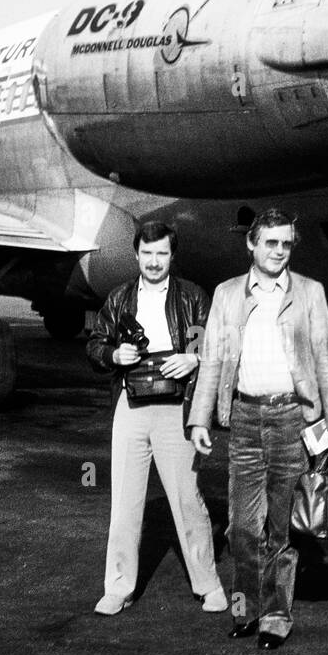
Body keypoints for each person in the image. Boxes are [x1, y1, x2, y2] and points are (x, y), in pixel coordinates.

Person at [188, 208, 328, 649]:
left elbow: (324, 359)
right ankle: (246, 608)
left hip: (291, 420)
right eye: (270, 243)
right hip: (244, 418)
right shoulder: (226, 294)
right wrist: (199, 417)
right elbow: (214, 360)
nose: (279, 251)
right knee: (242, 526)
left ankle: (276, 615)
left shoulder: (310, 293)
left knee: (279, 526)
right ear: (251, 244)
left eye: (286, 244)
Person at [86, 221, 225, 616]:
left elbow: (211, 344)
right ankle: (118, 588)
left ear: (171, 256)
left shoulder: (193, 296)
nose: (153, 261)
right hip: (130, 406)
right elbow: (95, 344)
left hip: (175, 407)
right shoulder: (119, 298)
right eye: (146, 254)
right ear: (136, 255)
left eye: (161, 253)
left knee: (187, 498)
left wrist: (192, 358)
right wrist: (114, 356)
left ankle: (208, 584)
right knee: (125, 502)